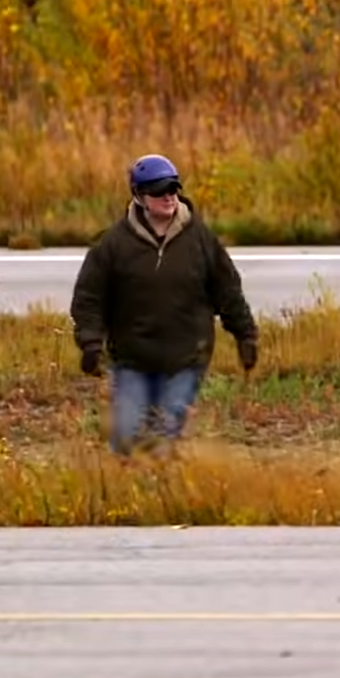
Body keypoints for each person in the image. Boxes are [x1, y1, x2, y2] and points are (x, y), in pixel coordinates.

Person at [69, 153, 259, 457]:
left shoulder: (200, 239)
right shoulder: (113, 245)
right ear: (140, 196)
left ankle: (163, 492)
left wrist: (245, 335)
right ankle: (131, 494)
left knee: (163, 437)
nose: (168, 196)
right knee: (126, 440)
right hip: (132, 359)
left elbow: (228, 292)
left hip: (186, 358)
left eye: (173, 189)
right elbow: (88, 298)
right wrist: (90, 342)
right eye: (159, 191)